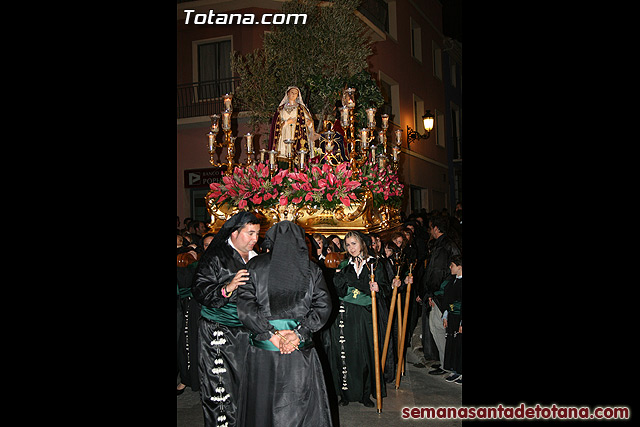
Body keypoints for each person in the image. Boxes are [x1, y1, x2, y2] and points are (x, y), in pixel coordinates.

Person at [236, 220, 333, 426]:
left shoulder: (254, 266)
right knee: (300, 405)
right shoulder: (312, 269)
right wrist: (299, 333)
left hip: (264, 349)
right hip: (298, 350)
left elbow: (245, 307)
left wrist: (270, 335)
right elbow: (323, 306)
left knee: (262, 405)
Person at [192, 211, 261, 427]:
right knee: (222, 389)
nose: (254, 239)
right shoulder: (216, 257)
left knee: (248, 386)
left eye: (257, 234)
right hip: (219, 331)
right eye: (250, 233)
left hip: (248, 331)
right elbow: (199, 289)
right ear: (234, 233)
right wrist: (228, 288)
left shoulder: (257, 258)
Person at [324, 231, 396, 407]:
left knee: (366, 354)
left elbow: (386, 289)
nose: (350, 248)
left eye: (353, 244)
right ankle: (345, 393)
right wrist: (339, 273)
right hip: (345, 313)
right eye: (347, 244)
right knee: (345, 354)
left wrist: (378, 288)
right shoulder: (344, 264)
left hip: (366, 314)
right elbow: (337, 290)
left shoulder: (375, 264)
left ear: (362, 244)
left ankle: (365, 394)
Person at [421, 215, 461, 375]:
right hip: (440, 293)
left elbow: (439, 272)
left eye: (431, 228)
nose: (430, 231)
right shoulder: (443, 244)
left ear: (436, 228)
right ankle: (446, 363)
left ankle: (449, 365)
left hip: (443, 294)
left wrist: (433, 292)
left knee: (441, 328)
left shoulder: (445, 246)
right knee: (436, 327)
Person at [268, 86, 319, 169]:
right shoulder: (281, 109)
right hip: (283, 135)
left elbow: (308, 122)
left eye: (296, 93)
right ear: (287, 94)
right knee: (282, 154)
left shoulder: (301, 108)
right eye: (292, 92)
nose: (294, 94)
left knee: (295, 155)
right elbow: (275, 125)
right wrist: (286, 122)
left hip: (296, 136)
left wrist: (309, 124)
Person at [442, 255, 462, 384]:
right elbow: (448, 299)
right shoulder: (453, 280)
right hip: (452, 315)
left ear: (459, 267)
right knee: (453, 343)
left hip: (460, 317)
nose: (450, 267)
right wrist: (446, 315)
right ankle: (455, 370)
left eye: (452, 265)